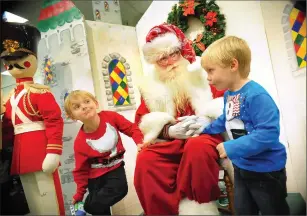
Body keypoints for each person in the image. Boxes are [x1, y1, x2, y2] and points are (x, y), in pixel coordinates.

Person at [134, 23, 227, 215]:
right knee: (146, 160)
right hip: (172, 142)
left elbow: (225, 101)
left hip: (204, 135)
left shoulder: (202, 70)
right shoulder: (151, 85)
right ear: (154, 62)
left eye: (173, 54)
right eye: (162, 59)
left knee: (197, 147)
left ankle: (199, 205)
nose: (170, 62)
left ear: (181, 51)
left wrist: (207, 121)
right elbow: (143, 120)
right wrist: (167, 130)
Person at [198, 35, 289, 215]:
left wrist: (232, 147)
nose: (208, 78)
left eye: (211, 70)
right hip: (242, 167)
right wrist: (202, 130)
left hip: (266, 171)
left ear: (233, 65)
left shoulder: (257, 96)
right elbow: (226, 119)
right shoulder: (229, 95)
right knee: (243, 211)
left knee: (273, 211)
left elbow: (268, 134)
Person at [1, 21, 65, 215]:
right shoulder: (11, 97)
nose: (13, 65)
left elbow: (54, 120)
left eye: (19, 58)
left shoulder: (40, 93)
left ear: (32, 59)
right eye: (9, 61)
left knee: (49, 201)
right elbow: (8, 127)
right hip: (21, 153)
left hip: (41, 151)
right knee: (35, 203)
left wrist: (53, 151)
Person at [64, 90, 144, 215]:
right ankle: (87, 206)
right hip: (94, 178)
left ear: (96, 103)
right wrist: (79, 193)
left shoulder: (111, 117)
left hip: (115, 167)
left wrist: (140, 142)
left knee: (120, 189)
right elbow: (81, 170)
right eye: (77, 107)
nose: (84, 106)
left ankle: (86, 207)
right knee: (101, 211)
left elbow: (132, 128)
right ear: (72, 116)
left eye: (87, 101)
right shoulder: (80, 142)